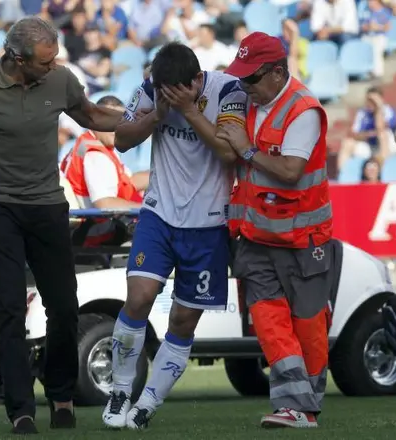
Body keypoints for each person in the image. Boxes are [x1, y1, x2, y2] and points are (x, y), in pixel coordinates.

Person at [0, 17, 124, 435]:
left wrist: (147, 117)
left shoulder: (61, 80)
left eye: (55, 58)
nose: (53, 66)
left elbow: (92, 116)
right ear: (17, 59)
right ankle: (20, 409)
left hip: (47, 205)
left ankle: (61, 394)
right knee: (10, 309)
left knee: (65, 306)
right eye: (45, 61)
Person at [102, 41, 248, 430]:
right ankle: (120, 389)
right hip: (159, 215)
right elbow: (120, 138)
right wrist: (157, 115)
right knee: (139, 298)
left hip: (208, 225)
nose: (168, 95)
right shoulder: (153, 89)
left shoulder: (229, 92)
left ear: (197, 79)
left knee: (183, 322)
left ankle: (148, 402)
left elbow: (229, 153)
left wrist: (186, 111)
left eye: (178, 90)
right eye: (162, 89)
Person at [217, 31, 332, 429]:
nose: (244, 86)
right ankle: (293, 407)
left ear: (278, 72)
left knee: (308, 326)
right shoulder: (247, 102)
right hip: (253, 236)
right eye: (242, 77)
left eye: (252, 78)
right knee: (269, 323)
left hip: (302, 239)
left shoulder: (303, 110)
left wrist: (246, 149)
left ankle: (307, 407)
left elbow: (290, 170)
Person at [60, 94, 149, 247]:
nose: (116, 128)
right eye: (110, 121)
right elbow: (105, 203)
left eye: (121, 121)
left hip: (99, 226)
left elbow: (128, 181)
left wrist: (161, 175)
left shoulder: (98, 144)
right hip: (98, 231)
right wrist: (149, 209)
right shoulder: (95, 155)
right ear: (95, 120)